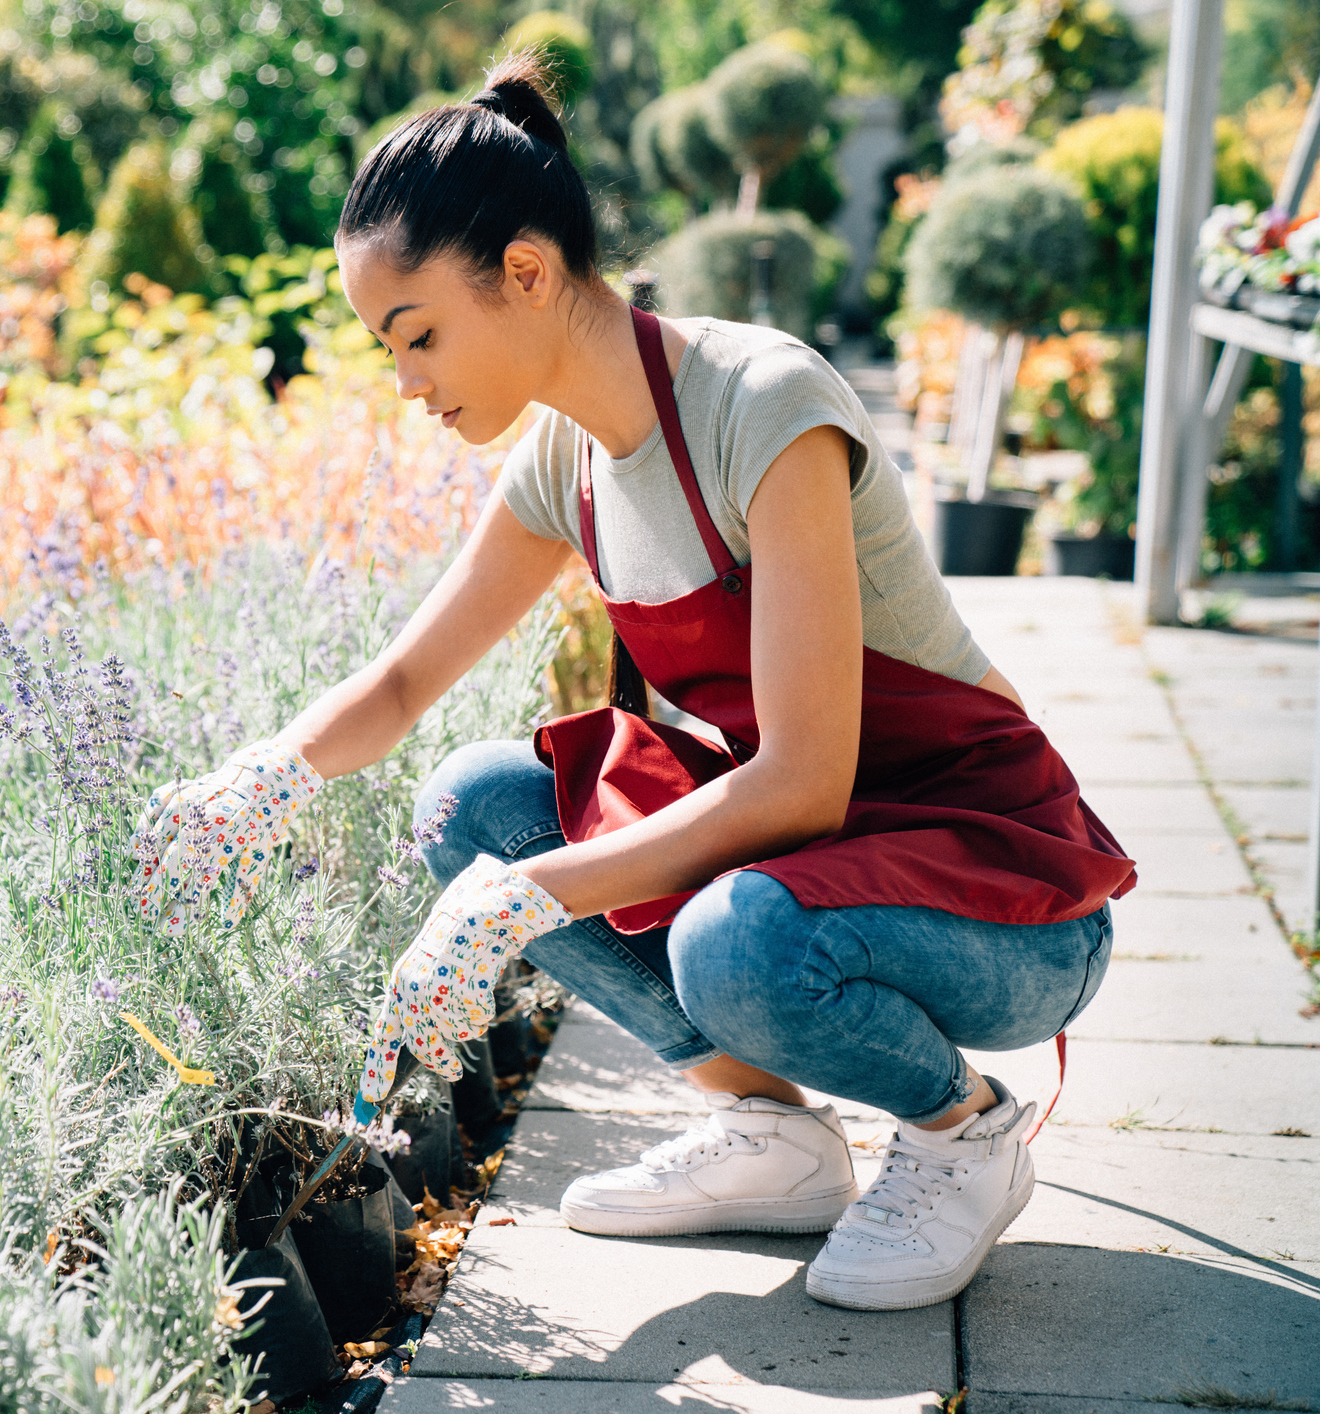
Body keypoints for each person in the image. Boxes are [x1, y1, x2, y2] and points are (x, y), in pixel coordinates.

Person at [127, 51, 1136, 1313]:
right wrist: (259, 775)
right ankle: (772, 1137)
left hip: (1002, 892)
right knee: (474, 803)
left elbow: (806, 781)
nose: (407, 385)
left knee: (730, 939)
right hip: (817, 865)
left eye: (418, 335)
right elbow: (400, 686)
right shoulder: (565, 460)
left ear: (529, 274)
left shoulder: (758, 405)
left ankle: (963, 1131)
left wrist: (523, 902)